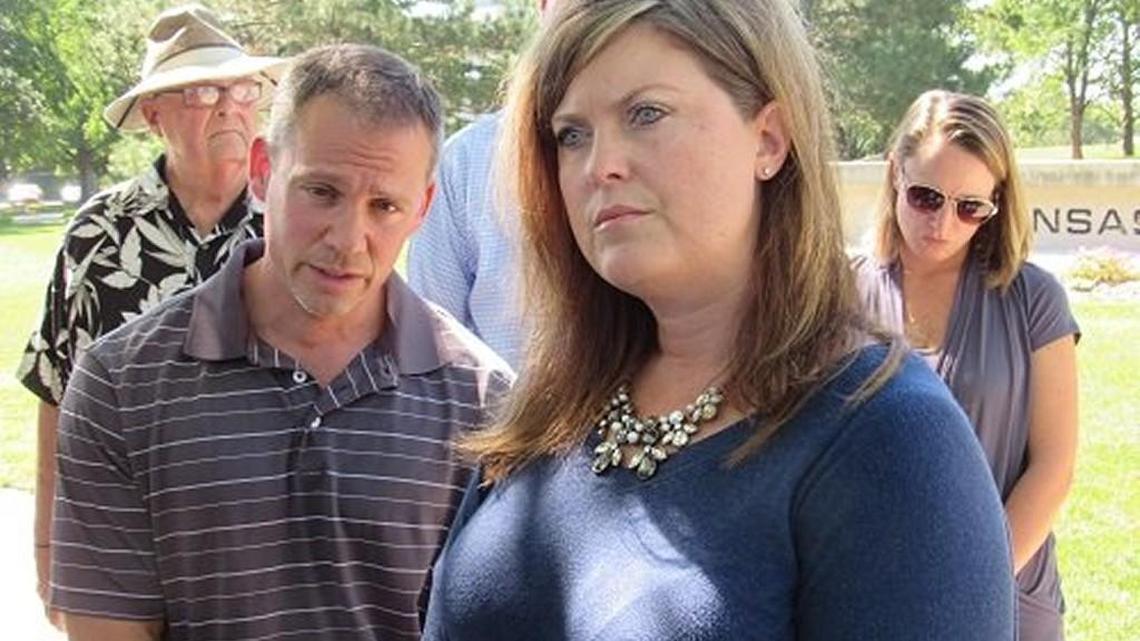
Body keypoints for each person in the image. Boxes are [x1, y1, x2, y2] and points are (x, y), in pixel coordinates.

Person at [422, 1, 1015, 639]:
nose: (600, 166)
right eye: (572, 134)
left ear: (768, 138)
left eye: (645, 113)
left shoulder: (891, 441)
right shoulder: (550, 404)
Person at [50, 44, 512, 641]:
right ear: (264, 171)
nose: (348, 239)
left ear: (422, 208)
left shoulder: (486, 405)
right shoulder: (122, 384)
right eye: (322, 192)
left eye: (384, 206)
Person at [15, 3, 285, 627]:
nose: (228, 105)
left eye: (241, 87)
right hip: (121, 534)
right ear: (154, 115)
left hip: (252, 545)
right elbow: (57, 388)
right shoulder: (97, 235)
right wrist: (48, 549)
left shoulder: (285, 227)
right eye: (201, 89)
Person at [853, 89, 1080, 641]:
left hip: (1006, 589)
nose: (945, 224)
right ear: (894, 176)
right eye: (926, 197)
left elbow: (1054, 464)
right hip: (864, 588)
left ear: (996, 203)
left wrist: (972, 584)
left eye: (970, 207)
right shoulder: (841, 293)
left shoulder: (1035, 299)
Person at [406, 2, 555, 369]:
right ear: (544, 7)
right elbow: (431, 329)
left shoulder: (676, 150)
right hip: (503, 421)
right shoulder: (466, 162)